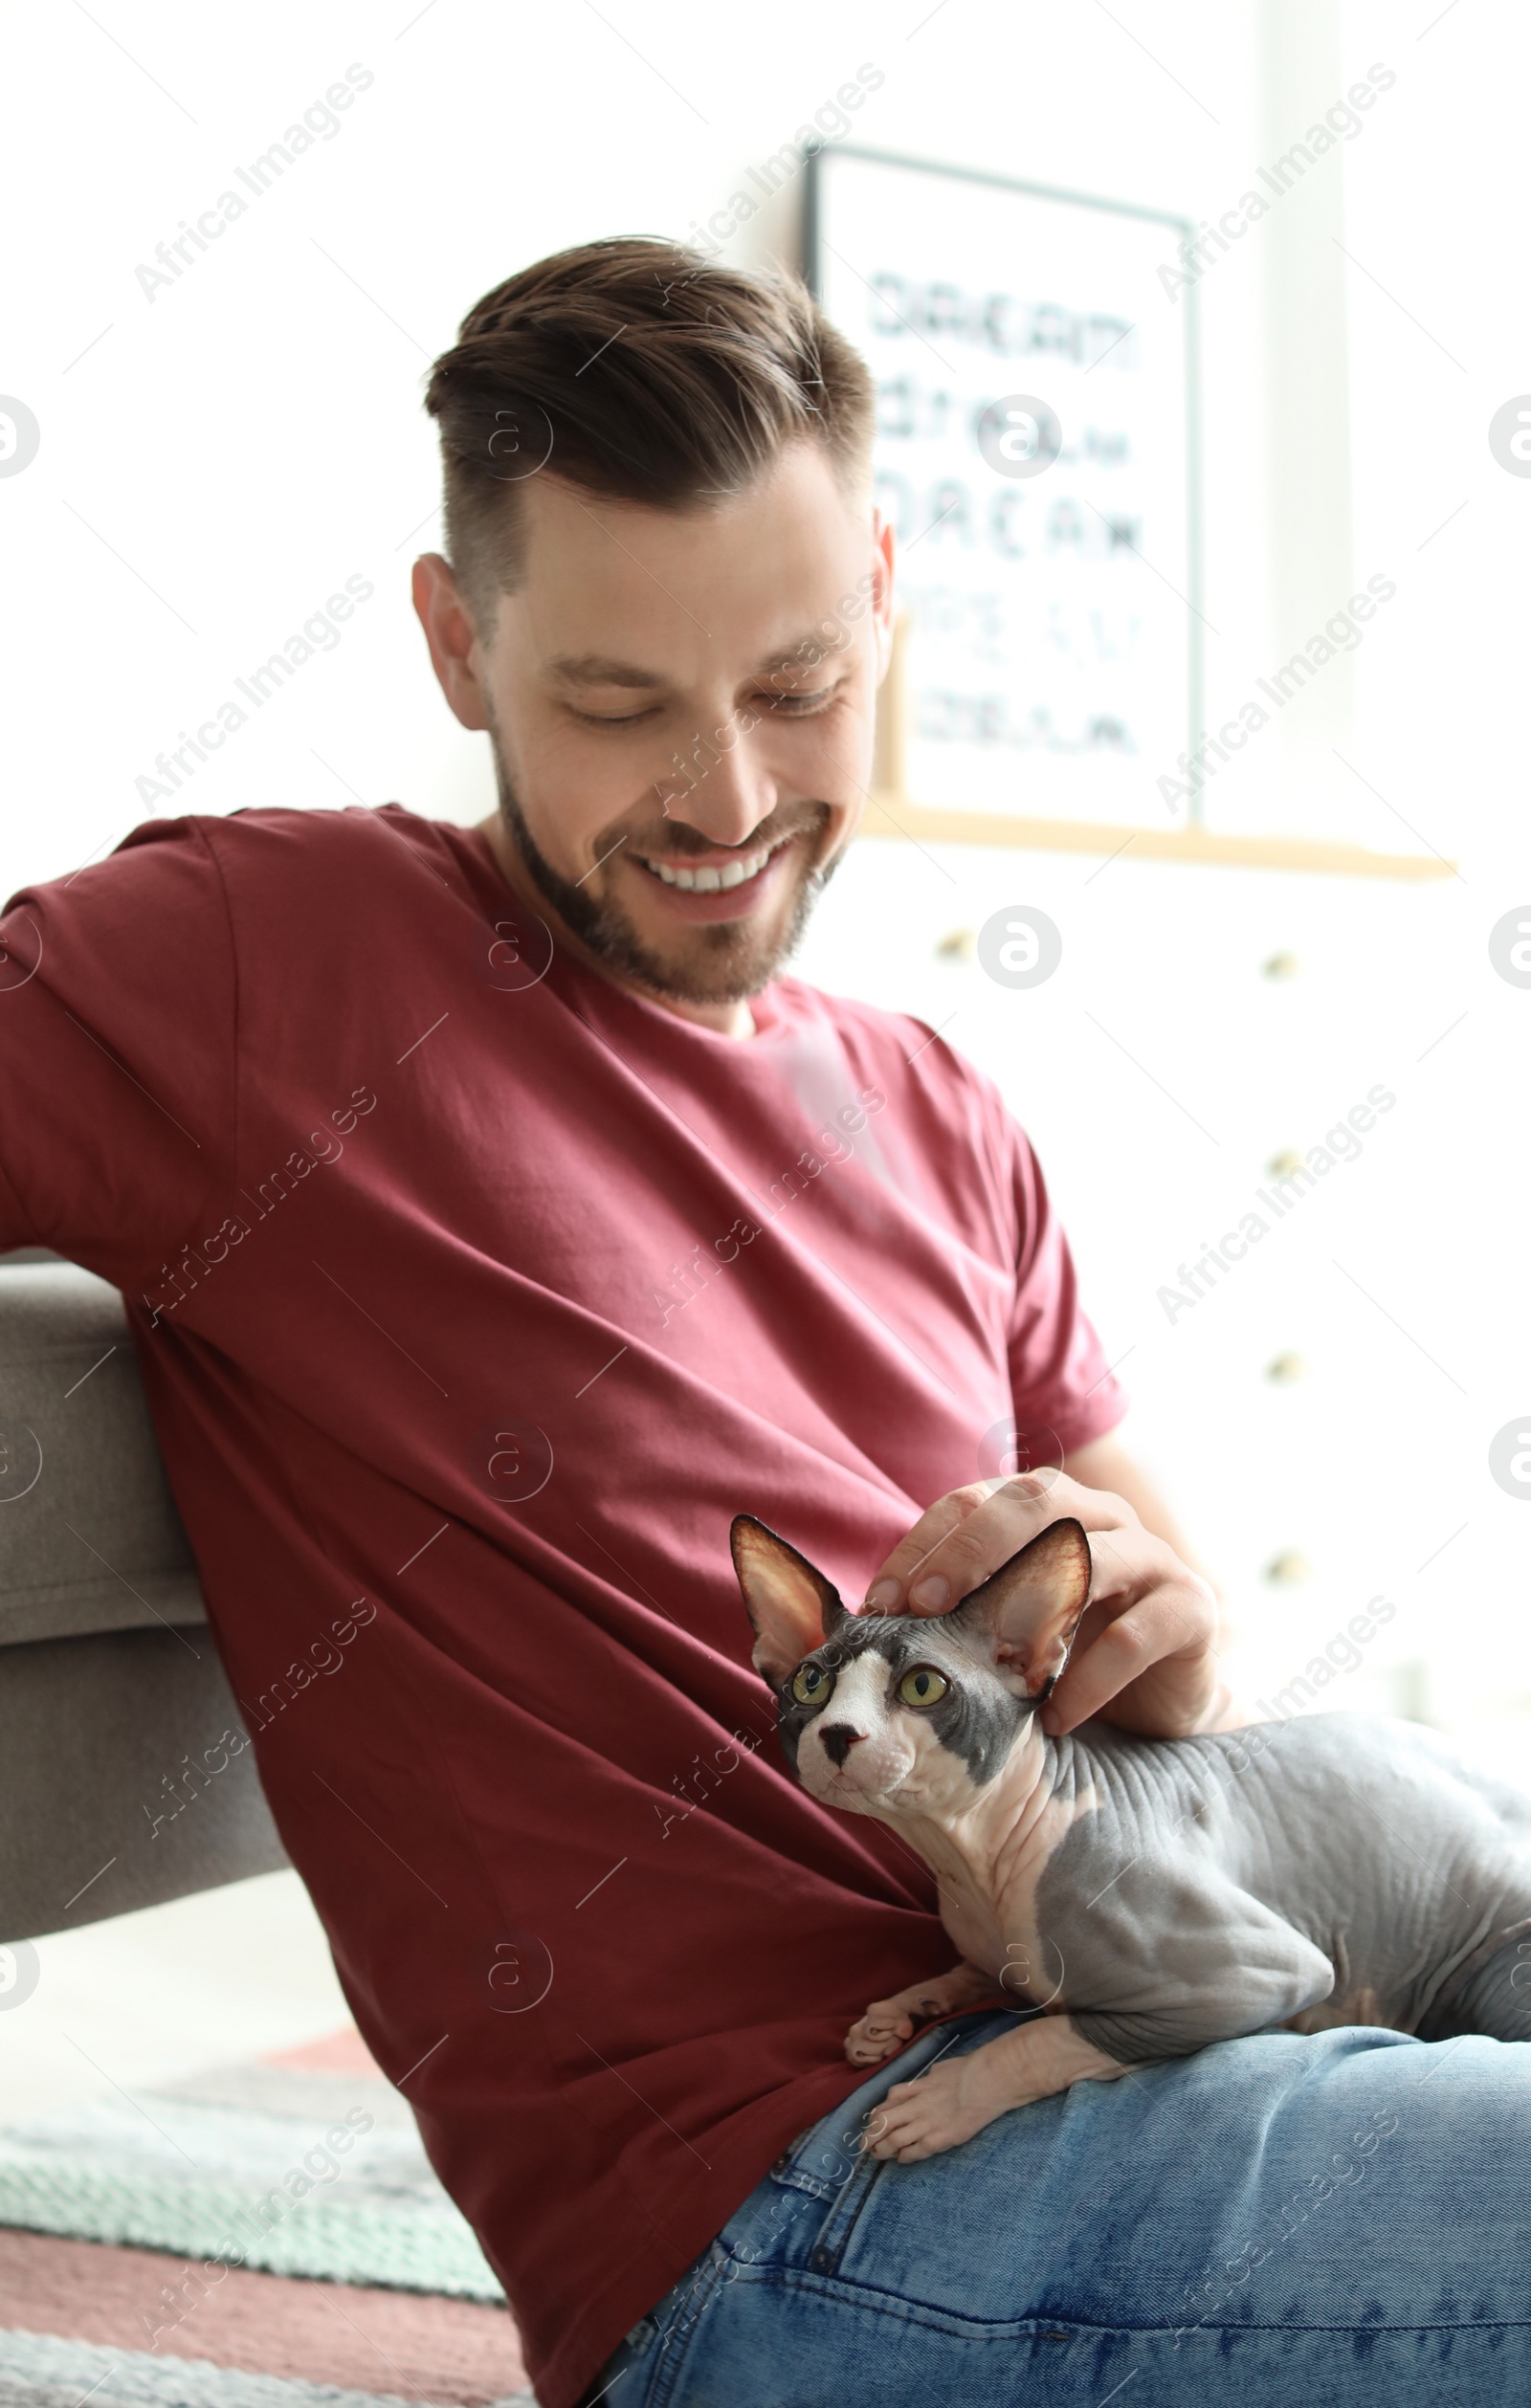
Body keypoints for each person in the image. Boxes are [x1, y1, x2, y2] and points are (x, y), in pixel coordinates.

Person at [0, 239, 1524, 2408]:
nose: (725, 799)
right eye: (616, 705)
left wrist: (1156, 1635)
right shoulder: (260, 960)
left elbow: (1176, 1703)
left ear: (881, 592)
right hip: (796, 2208)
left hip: (1152, 2010)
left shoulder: (939, 1110)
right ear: (458, 644)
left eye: (798, 686)